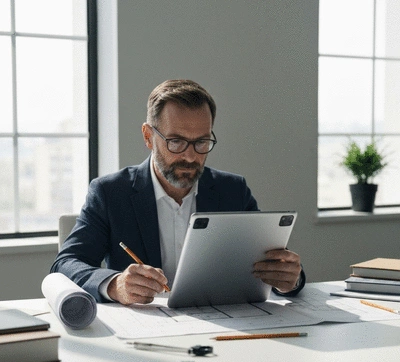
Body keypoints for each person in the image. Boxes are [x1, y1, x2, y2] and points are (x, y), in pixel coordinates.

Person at [51, 79, 305, 305]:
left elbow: (273, 264)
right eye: (176, 141)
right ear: (149, 137)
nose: (190, 155)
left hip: (224, 326)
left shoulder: (233, 191)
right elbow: (65, 264)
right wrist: (114, 284)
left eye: (202, 142)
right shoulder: (109, 193)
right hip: (145, 332)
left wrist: (289, 280)